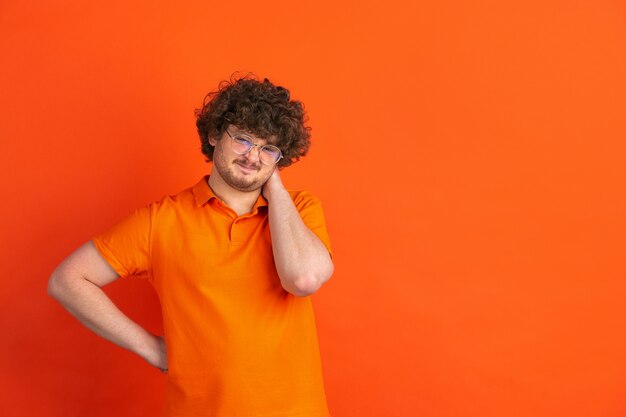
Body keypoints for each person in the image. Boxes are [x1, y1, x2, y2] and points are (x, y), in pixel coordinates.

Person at [47, 75, 334, 417]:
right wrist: (150, 347)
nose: (253, 157)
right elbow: (67, 280)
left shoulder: (299, 209)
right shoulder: (160, 221)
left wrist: (276, 193)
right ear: (214, 135)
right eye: (243, 140)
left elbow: (302, 280)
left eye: (268, 148)